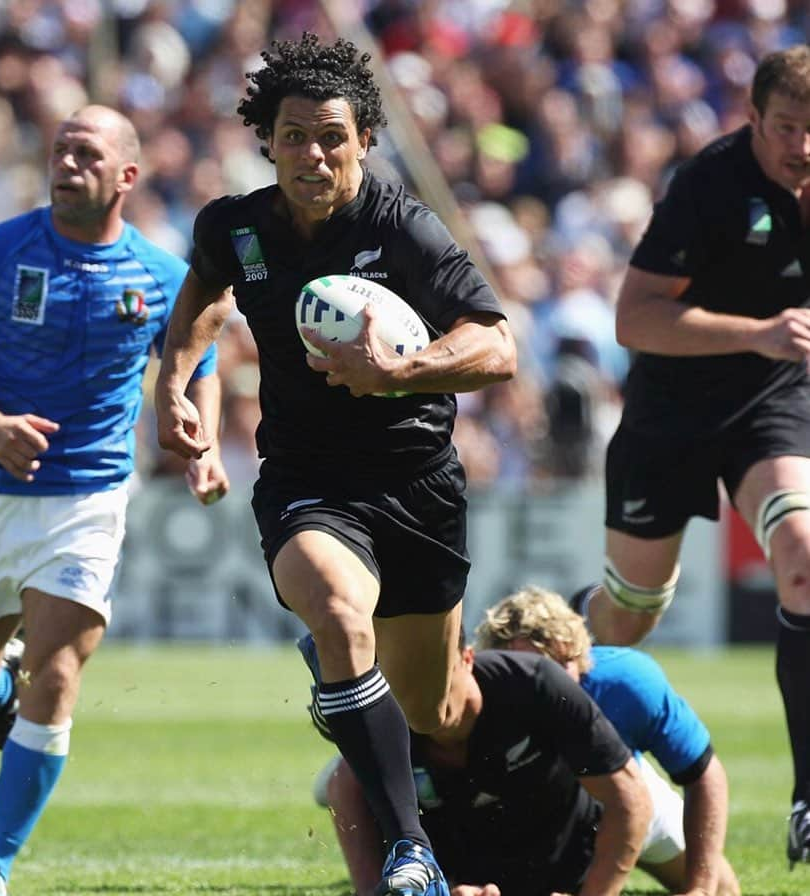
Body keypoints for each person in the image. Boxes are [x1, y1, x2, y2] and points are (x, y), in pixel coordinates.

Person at [153, 32, 516, 896]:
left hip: (418, 485)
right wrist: (172, 382)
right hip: (307, 482)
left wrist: (403, 371)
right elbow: (204, 300)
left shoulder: (403, 227)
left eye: (331, 137)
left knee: (435, 710)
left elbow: (497, 347)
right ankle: (410, 851)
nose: (311, 155)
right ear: (267, 140)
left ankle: (449, 701)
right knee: (343, 623)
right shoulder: (234, 227)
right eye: (293, 136)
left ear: (362, 142)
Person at [0, 104, 228, 896]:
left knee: (60, 678)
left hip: (87, 502)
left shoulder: (158, 276)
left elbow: (203, 361)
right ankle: (2, 676)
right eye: (60, 151)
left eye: (85, 153)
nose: (65, 164)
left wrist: (204, 443)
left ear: (126, 176)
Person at [563, 44, 810, 866]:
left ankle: (808, 796)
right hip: (671, 412)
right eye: (786, 128)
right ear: (754, 117)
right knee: (626, 620)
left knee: (804, 556)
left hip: (771, 407)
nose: (801, 146)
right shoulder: (710, 185)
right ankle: (529, 669)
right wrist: (761, 333)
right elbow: (635, 318)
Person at [312, 629, 651, 896]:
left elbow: (631, 801)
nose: (425, 692)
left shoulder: (535, 684)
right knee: (346, 776)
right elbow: (345, 788)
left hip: (581, 835)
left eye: (438, 673)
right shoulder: (392, 710)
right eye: (407, 679)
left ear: (468, 658)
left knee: (681, 859)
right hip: (467, 859)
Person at [475, 587, 741, 896]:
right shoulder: (479, 698)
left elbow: (703, 771)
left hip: (629, 788)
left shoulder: (626, 682)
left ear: (580, 655)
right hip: (533, 812)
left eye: (559, 664)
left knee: (722, 889)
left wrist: (700, 888)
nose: (545, 680)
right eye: (528, 668)